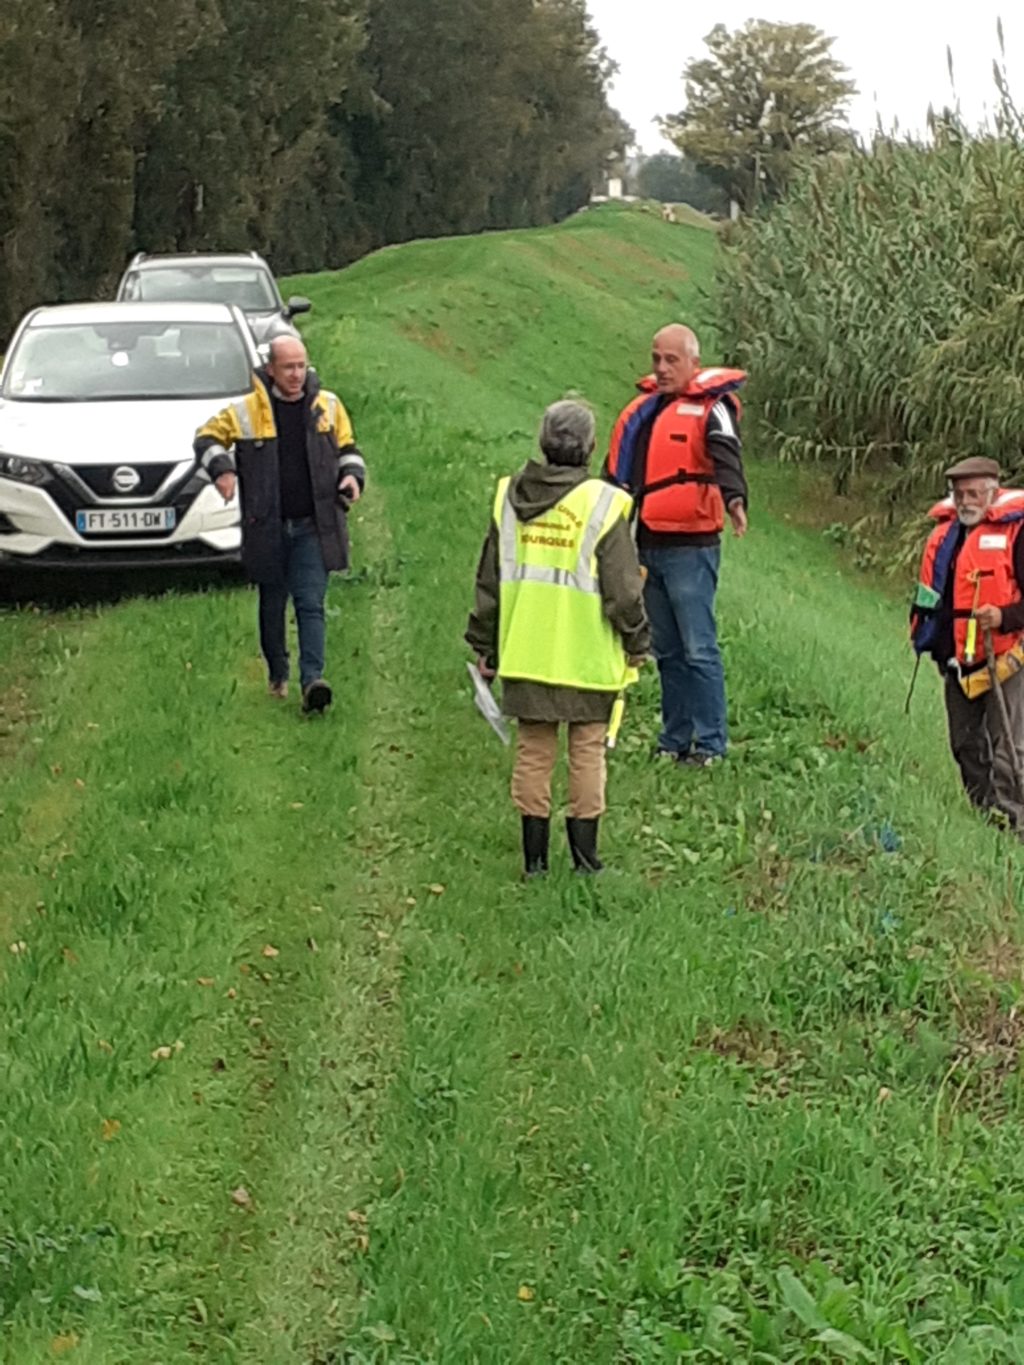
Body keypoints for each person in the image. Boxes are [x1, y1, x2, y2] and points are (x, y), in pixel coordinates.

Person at [466, 399, 650, 876]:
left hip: (525, 655)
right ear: (590, 447)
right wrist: (638, 641)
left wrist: (484, 645)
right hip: (587, 658)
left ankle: (535, 863)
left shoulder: (508, 497)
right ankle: (586, 861)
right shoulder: (605, 505)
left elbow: (490, 580)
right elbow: (624, 592)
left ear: (543, 442)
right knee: (586, 754)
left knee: (534, 753)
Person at [194, 336, 365, 713]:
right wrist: (222, 471)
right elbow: (206, 439)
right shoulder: (246, 411)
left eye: (301, 366)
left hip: (313, 526)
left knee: (310, 603)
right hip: (267, 526)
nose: (296, 374)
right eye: (288, 367)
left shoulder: (329, 407)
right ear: (271, 369)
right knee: (272, 604)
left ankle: (312, 683)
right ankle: (277, 673)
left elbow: (350, 450)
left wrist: (351, 478)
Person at [605, 324, 748, 766]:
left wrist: (735, 500)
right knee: (666, 650)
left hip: (692, 549)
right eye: (657, 359)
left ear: (693, 364)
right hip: (647, 545)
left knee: (699, 648)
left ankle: (711, 746)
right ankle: (674, 740)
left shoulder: (713, 408)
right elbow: (614, 475)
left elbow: (726, 454)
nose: (663, 368)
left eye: (672, 360)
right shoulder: (644, 413)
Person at [910, 456, 1024, 829]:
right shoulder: (945, 535)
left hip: (1006, 658)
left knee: (1009, 750)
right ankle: (984, 814)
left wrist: (1004, 617)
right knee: (965, 745)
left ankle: (1014, 824)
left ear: (993, 493)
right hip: (958, 661)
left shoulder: (1015, 534)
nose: (966, 501)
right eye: (959, 494)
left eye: (974, 493)